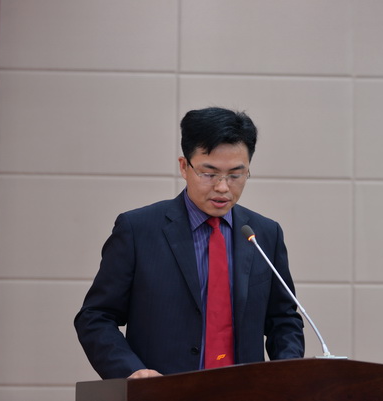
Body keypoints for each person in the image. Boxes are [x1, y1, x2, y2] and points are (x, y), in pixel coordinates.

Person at [74, 107, 305, 379]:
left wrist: (285, 373)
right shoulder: (138, 230)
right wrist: (132, 371)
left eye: (235, 175)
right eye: (209, 173)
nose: (222, 187)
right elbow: (96, 316)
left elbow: (283, 319)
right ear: (184, 167)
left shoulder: (264, 234)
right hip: (163, 391)